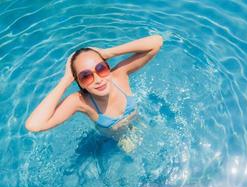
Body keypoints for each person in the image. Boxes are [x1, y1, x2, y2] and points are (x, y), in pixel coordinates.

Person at [25, 35, 163, 133]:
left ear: (107, 67)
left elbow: (157, 42)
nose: (97, 79)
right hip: (114, 141)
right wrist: (65, 80)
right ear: (79, 82)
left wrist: (107, 52)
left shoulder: (119, 75)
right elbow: (34, 125)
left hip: (139, 122)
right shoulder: (79, 101)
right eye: (85, 76)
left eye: (101, 68)